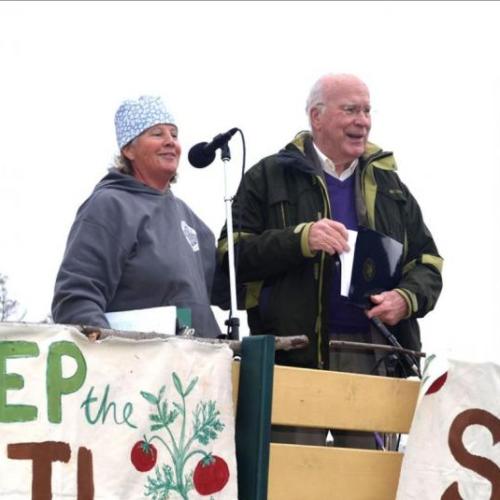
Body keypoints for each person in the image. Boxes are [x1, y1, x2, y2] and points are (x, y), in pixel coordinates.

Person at [216, 73, 443, 447]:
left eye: (367, 111)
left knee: (368, 482)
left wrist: (405, 299)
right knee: (294, 479)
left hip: (370, 355)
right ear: (316, 117)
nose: (363, 121)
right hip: (293, 356)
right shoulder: (269, 176)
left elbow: (429, 263)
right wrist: (299, 240)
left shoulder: (391, 187)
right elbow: (229, 257)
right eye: (350, 110)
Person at [52, 95, 220, 338]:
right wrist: (114, 353)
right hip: (136, 369)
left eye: (174, 134)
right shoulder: (110, 206)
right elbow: (75, 298)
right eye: (157, 134)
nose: (170, 142)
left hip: (196, 367)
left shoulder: (193, 223)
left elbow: (228, 287)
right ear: (128, 149)